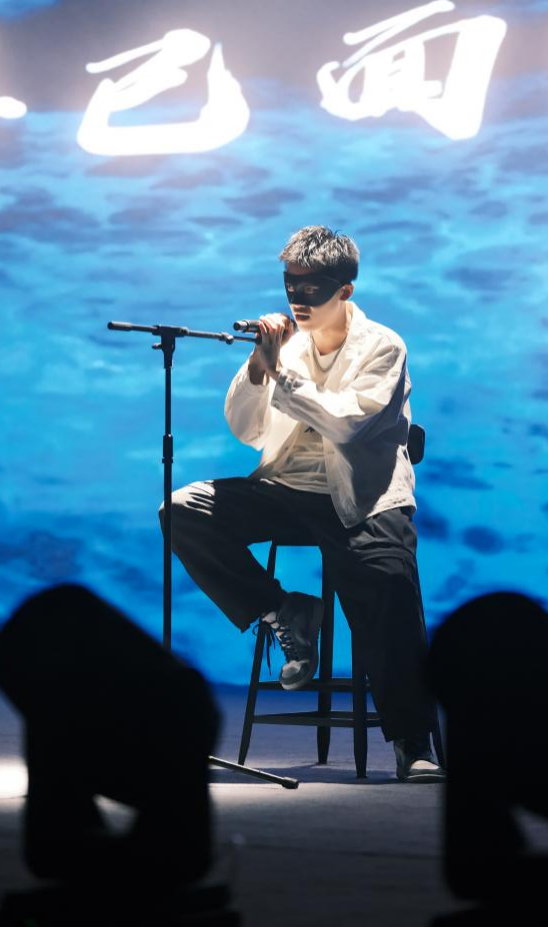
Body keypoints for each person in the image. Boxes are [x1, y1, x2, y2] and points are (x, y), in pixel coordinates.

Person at [164, 225, 443, 782]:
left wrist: (281, 375)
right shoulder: (285, 346)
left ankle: (412, 741)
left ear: (345, 289)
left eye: (312, 287)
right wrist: (257, 366)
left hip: (361, 497)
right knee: (182, 508)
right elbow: (246, 430)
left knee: (389, 583)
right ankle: (285, 610)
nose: (298, 298)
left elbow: (348, 424)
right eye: (291, 285)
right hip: (285, 489)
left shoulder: (383, 346)